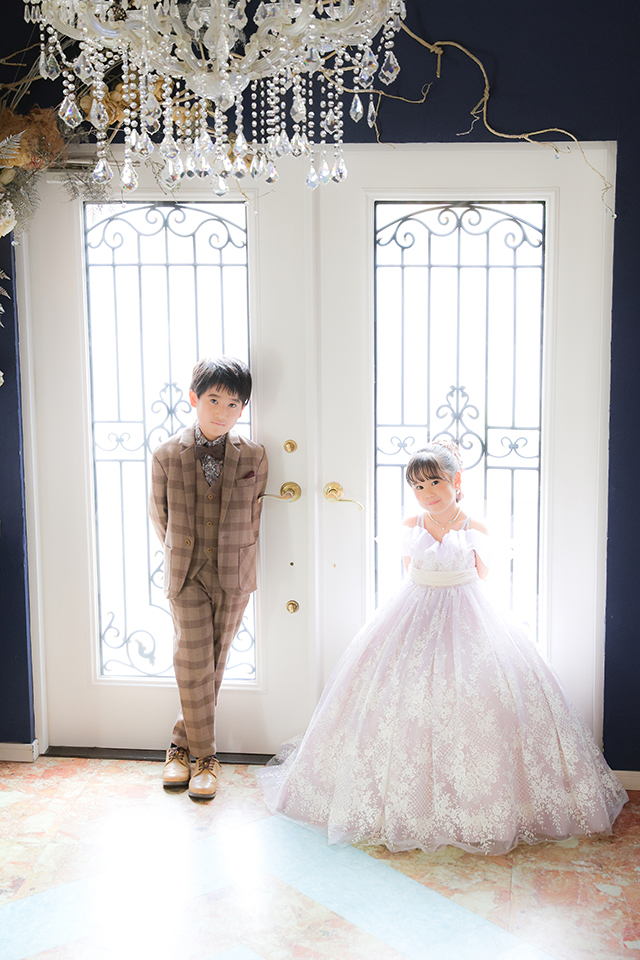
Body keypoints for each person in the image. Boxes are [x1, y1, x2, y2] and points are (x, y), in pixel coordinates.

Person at [258, 441, 627, 854]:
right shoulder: (411, 524)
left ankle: (481, 807)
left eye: (434, 482)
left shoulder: (474, 527)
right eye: (418, 486)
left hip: (468, 609)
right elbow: (410, 571)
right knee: (398, 696)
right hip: (413, 609)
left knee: (481, 696)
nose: (427, 492)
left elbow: (481, 575)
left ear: (456, 480)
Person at [150, 357, 268, 800]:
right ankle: (205, 759)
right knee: (191, 658)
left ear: (242, 410)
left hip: (234, 573)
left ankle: (179, 747)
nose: (222, 411)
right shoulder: (166, 454)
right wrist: (185, 553)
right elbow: (159, 516)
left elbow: (254, 514)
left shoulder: (254, 455)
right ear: (194, 398)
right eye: (214, 400)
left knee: (213, 662)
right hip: (186, 572)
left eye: (233, 404)